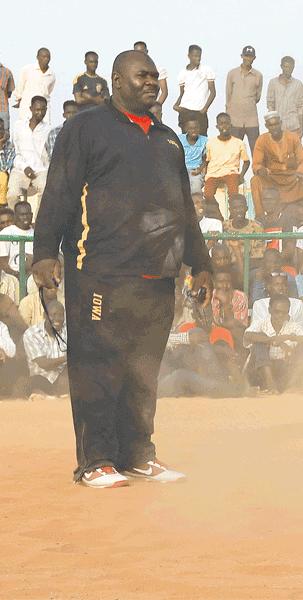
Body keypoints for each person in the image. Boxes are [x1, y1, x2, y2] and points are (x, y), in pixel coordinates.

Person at [31, 50, 213, 489]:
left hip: (156, 274)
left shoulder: (168, 139)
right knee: (97, 365)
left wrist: (201, 262)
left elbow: (183, 209)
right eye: (142, 75)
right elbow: (59, 191)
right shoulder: (86, 128)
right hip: (99, 270)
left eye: (155, 76)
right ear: (116, 80)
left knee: (143, 368)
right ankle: (95, 460)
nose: (152, 82)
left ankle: (137, 454)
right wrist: (43, 252)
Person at [250, 112, 303, 224]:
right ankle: (260, 217)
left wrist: (299, 172)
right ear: (266, 126)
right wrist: (260, 170)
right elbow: (256, 164)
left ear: (280, 123)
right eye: (271, 125)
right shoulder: (262, 140)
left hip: (292, 178)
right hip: (272, 178)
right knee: (255, 181)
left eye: (276, 124)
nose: (274, 127)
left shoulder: (292, 137)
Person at [244, 293, 303, 394]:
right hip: (258, 373)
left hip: (280, 373)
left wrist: (289, 337)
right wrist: (273, 340)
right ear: (270, 310)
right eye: (277, 312)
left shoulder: (292, 327)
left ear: (288, 313)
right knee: (259, 343)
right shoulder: (261, 323)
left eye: (284, 313)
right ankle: (270, 383)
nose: (280, 316)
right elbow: (247, 335)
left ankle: (290, 386)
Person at [7, 96, 50, 212]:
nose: (40, 113)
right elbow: (15, 152)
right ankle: (16, 221)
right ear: (31, 109)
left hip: (41, 170)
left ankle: (38, 223)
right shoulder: (19, 126)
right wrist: (25, 167)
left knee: (47, 191)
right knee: (12, 194)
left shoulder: (48, 129)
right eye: (37, 109)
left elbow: (49, 154)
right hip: (21, 169)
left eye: (43, 109)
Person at [202, 112, 250, 217]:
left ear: (231, 125)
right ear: (217, 126)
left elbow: (247, 162)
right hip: (213, 174)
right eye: (221, 124)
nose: (224, 126)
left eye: (227, 123)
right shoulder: (211, 142)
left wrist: (241, 175)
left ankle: (233, 217)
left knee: (234, 195)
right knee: (207, 195)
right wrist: (202, 173)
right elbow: (206, 160)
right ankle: (219, 216)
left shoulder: (238, 143)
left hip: (230, 173)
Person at [23, 299, 68, 397]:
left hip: (63, 378)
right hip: (42, 378)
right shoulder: (31, 334)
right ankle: (49, 399)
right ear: (45, 316)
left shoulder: (67, 330)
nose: (58, 318)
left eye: (61, 315)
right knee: (33, 383)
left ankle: (55, 398)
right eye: (53, 314)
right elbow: (44, 364)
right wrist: (68, 357)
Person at [225, 45, 263, 156]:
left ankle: (257, 173)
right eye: (246, 56)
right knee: (233, 152)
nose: (248, 59)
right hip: (235, 119)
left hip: (251, 119)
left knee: (256, 151)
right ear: (241, 56)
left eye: (250, 57)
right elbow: (228, 94)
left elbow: (257, 97)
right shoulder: (232, 74)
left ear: (254, 58)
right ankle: (234, 173)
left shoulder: (258, 75)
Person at [174, 45, 216, 135]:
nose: (198, 58)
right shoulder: (182, 73)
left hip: (199, 111)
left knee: (202, 139)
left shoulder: (206, 70)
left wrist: (205, 108)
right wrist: (176, 105)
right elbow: (182, 93)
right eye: (195, 56)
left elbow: (213, 92)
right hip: (185, 110)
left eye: (199, 56)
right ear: (189, 56)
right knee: (186, 139)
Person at [222, 193, 265, 271]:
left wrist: (240, 267)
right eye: (235, 208)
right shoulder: (225, 226)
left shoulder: (256, 227)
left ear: (246, 208)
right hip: (228, 268)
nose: (238, 211)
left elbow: (258, 258)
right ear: (230, 210)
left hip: (250, 268)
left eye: (241, 207)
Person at [12, 49, 55, 125]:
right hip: (27, 106)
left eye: (48, 57)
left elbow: (48, 91)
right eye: (44, 56)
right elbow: (20, 86)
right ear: (37, 57)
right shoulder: (27, 69)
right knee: (24, 128)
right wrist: (19, 99)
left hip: (43, 108)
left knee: (45, 130)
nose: (46, 59)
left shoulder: (51, 74)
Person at [267, 56, 303, 137]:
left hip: (294, 126)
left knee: (295, 149)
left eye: (291, 67)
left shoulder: (298, 84)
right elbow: (270, 105)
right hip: (278, 127)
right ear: (281, 66)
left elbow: (300, 107)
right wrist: (271, 126)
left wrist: (301, 126)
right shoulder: (273, 83)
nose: (288, 69)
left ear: (293, 67)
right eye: (286, 66)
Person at [0, 200, 34, 279]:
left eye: (27, 214)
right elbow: (2, 262)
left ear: (32, 215)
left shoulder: (37, 234)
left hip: (31, 275)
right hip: (9, 275)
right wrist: (16, 274)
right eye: (22, 215)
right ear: (15, 216)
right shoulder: (6, 233)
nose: (25, 217)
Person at [178, 118, 207, 195]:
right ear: (186, 129)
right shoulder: (180, 139)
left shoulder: (205, 140)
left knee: (196, 188)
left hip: (196, 170)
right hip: (182, 170)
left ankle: (196, 205)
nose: (193, 130)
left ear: (199, 128)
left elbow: (206, 159)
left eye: (196, 128)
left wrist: (200, 170)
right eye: (191, 128)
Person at [0, 117, 15, 205]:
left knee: (3, 176)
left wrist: (0, 147)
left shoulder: (9, 146)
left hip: (3, 178)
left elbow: (4, 168)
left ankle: (2, 206)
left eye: (1, 129)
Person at [0, 61, 14, 139]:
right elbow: (9, 93)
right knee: (5, 134)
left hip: (3, 110)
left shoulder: (7, 72)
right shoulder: (7, 72)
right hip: (3, 108)